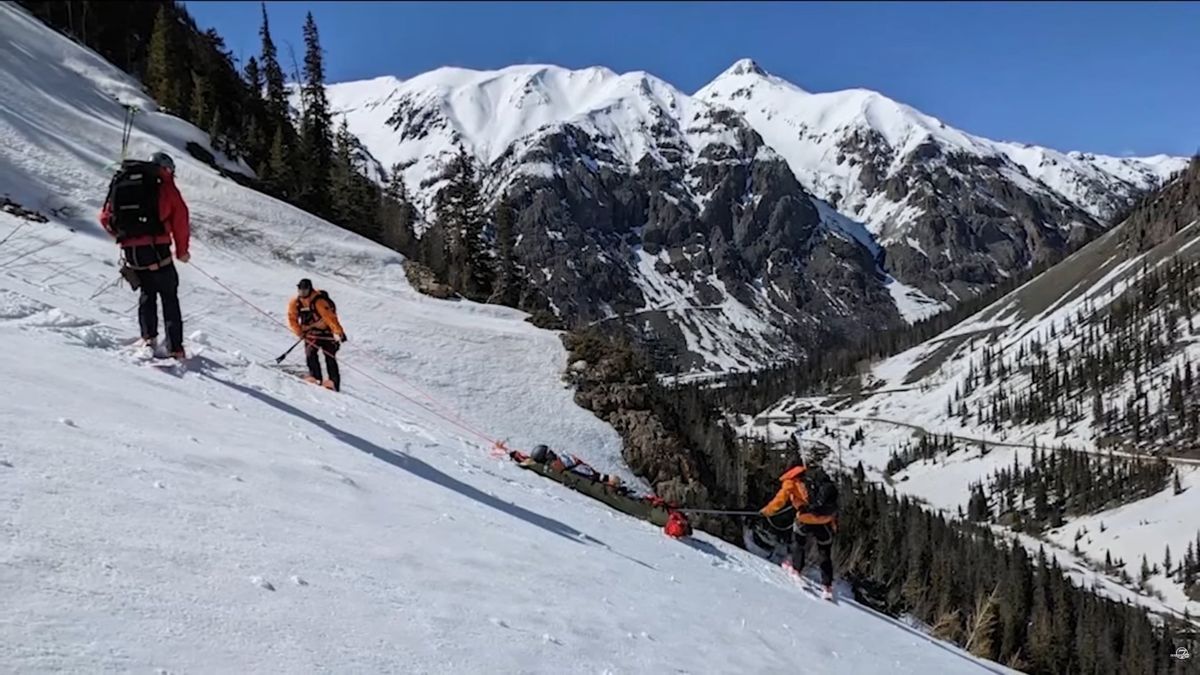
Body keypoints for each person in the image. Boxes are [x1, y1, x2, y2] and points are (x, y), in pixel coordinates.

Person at [99, 152, 191, 359]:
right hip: (158, 248)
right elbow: (180, 219)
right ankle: (175, 348)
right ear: (167, 169)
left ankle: (148, 338)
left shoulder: (124, 180)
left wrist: (125, 236)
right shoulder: (164, 185)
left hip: (132, 252)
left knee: (147, 291)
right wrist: (182, 251)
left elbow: (104, 217)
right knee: (169, 295)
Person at [760, 453, 839, 598]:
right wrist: (833, 524)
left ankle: (796, 569)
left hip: (805, 519)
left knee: (798, 543)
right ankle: (827, 586)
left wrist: (766, 511)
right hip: (825, 520)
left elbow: (780, 500)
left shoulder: (791, 482)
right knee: (824, 553)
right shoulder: (813, 478)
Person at [287, 278, 347, 391]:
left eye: (305, 289)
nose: (302, 291)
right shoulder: (295, 302)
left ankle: (333, 383)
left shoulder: (319, 301)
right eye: (300, 289)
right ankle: (316, 378)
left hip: (325, 333)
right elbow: (292, 318)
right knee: (310, 355)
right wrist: (299, 332)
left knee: (330, 357)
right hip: (310, 334)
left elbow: (329, 318)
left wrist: (339, 332)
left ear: (310, 289)